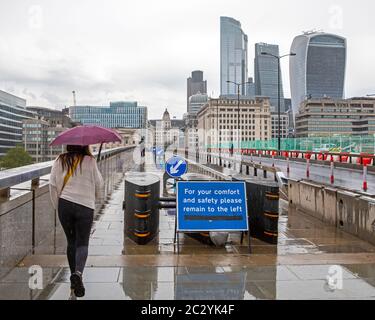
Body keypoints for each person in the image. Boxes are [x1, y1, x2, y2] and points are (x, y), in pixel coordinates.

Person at [49, 145, 104, 298]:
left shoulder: (60, 160)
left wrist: (57, 206)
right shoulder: (90, 160)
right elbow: (99, 184)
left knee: (71, 242)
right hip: (85, 206)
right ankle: (78, 274)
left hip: (65, 205)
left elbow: (52, 185)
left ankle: (73, 278)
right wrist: (95, 199)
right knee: (82, 243)